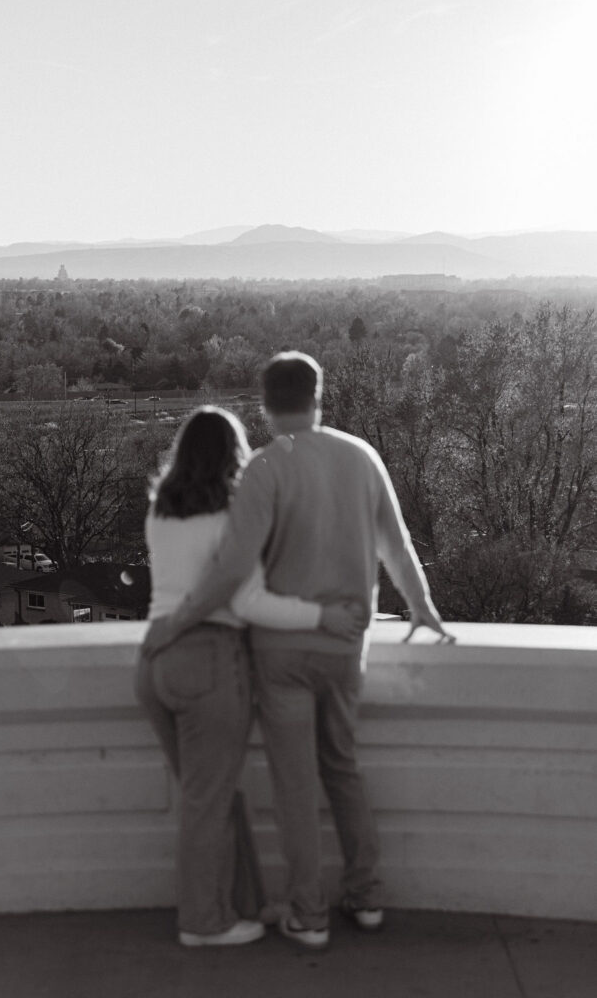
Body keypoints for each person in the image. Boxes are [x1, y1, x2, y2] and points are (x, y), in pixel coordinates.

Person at [142, 352, 451, 950]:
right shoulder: (361, 457)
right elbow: (396, 542)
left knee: (293, 782)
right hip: (344, 644)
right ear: (318, 395)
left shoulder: (264, 468)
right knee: (343, 767)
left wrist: (177, 620)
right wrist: (422, 606)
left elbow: (232, 570)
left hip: (281, 653)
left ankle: (308, 914)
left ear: (264, 402)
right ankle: (365, 895)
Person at [135, 406, 363, 948]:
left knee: (206, 794)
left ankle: (240, 903)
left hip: (154, 663)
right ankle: (203, 922)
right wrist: (321, 617)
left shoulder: (159, 512)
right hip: (209, 660)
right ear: (232, 455)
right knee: (207, 803)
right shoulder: (232, 518)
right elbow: (249, 601)